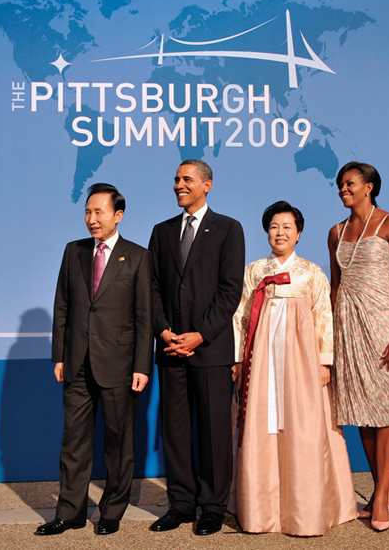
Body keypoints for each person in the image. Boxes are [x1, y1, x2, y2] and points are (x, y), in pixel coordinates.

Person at [232, 201, 357, 537]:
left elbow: (324, 318)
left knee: (303, 425)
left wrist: (324, 362)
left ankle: (306, 509)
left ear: (299, 233)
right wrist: (239, 359)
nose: (280, 233)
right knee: (263, 423)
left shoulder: (312, 273)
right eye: (274, 226)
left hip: (301, 361)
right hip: (260, 363)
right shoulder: (255, 271)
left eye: (287, 227)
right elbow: (242, 316)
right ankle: (261, 509)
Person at [36, 183, 154, 536]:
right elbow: (63, 306)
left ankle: (111, 511)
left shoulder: (138, 256)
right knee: (74, 441)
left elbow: (144, 316)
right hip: (76, 362)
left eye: (99, 212)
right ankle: (69, 512)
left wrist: (141, 365)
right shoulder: (73, 252)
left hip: (119, 364)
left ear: (118, 215)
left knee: (118, 443)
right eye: (88, 211)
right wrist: (59, 354)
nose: (91, 219)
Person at [148, 159, 245, 536]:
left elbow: (230, 290)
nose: (178, 185)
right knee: (175, 430)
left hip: (211, 349)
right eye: (175, 179)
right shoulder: (162, 232)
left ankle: (212, 507)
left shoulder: (228, 229)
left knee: (213, 431)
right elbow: (152, 288)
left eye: (186, 179)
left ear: (207, 184)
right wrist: (164, 331)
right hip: (171, 348)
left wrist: (199, 335)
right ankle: (181, 504)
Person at [328, 162, 389, 532]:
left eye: (349, 183)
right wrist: (333, 334)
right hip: (350, 329)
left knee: (388, 408)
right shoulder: (336, 233)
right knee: (363, 413)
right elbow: (336, 288)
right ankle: (382, 487)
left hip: (386, 325)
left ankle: (381, 494)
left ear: (368, 187)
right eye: (340, 185)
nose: (342, 189)